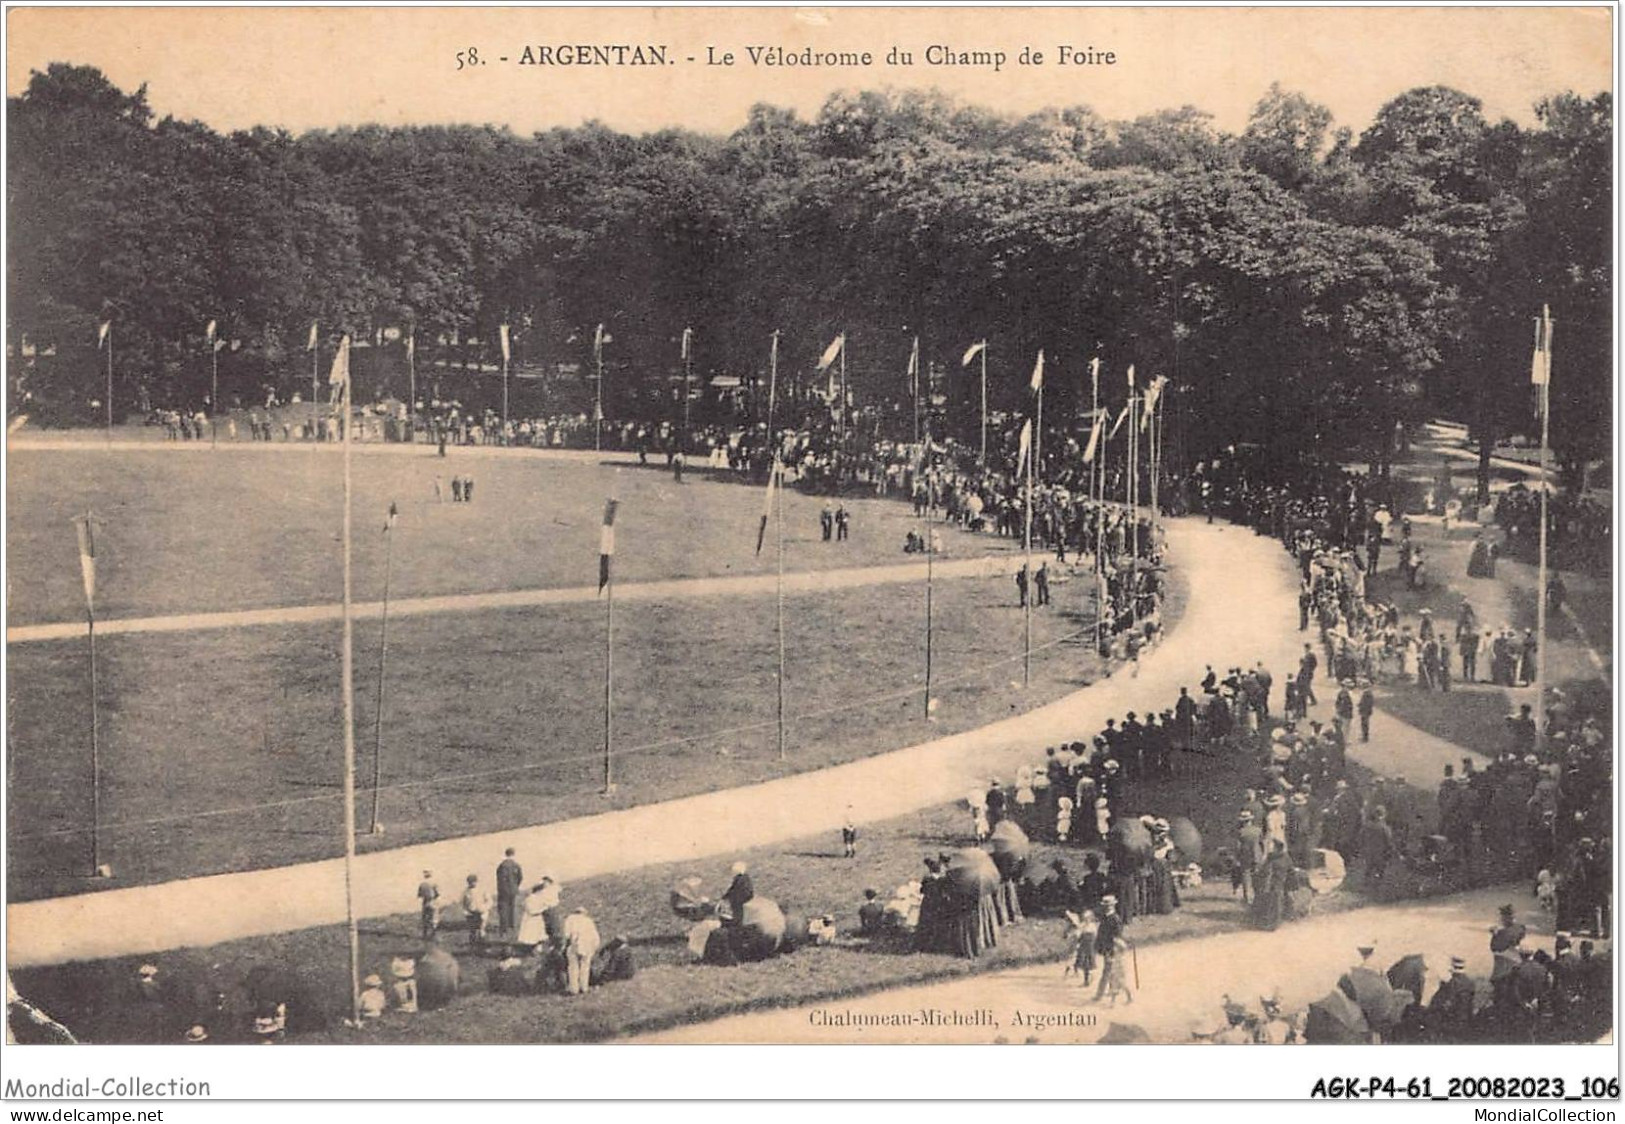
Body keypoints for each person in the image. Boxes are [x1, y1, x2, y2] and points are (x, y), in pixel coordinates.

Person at [560, 908, 602, 996]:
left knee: (573, 966)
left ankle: (574, 989)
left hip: (576, 943)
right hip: (588, 945)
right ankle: (584, 987)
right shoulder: (588, 921)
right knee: (585, 966)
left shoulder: (570, 919)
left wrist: (565, 946)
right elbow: (595, 936)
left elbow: (567, 935)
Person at [496, 848, 523, 936]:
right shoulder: (516, 865)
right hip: (513, 890)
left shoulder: (502, 866)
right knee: (512, 907)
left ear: (505, 854)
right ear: (513, 854)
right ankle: (511, 925)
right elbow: (520, 877)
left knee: (503, 908)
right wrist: (515, 886)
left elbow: (499, 879)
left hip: (503, 891)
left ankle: (504, 928)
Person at [460, 874, 490, 948]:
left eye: (474, 882)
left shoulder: (482, 890)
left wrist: (485, 909)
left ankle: (482, 946)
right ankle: (472, 947)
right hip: (471, 913)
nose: (472, 884)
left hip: (482, 912)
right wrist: (465, 911)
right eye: (470, 882)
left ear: (477, 882)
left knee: (481, 929)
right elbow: (463, 903)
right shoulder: (466, 892)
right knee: (472, 930)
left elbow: (489, 901)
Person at [416, 870, 441, 942]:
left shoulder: (422, 884)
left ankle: (425, 935)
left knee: (425, 919)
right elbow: (438, 894)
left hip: (425, 902)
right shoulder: (434, 883)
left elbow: (419, 895)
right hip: (433, 901)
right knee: (434, 919)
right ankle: (433, 935)